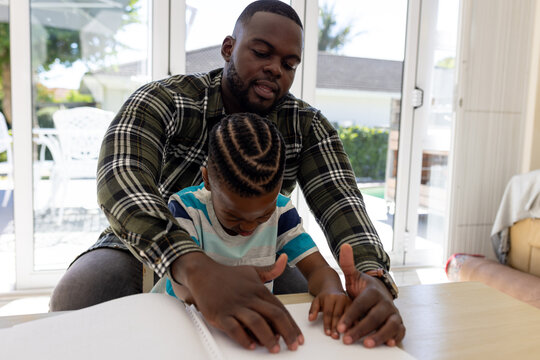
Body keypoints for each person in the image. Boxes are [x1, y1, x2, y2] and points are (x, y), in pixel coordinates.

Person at [50, 0, 405, 353]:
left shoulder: (307, 127)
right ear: (228, 48)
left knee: (302, 316)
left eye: (288, 63)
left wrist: (371, 278)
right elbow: (121, 178)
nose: (275, 69)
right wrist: (193, 265)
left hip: (256, 253)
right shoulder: (165, 100)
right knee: (81, 292)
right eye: (262, 53)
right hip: (150, 246)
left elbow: (342, 202)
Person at [154, 113, 351, 343]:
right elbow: (183, 289)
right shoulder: (186, 209)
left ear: (279, 186)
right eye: (233, 215)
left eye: (263, 215)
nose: (248, 226)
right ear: (207, 179)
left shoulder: (282, 212)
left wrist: (333, 289)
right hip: (180, 323)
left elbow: (317, 270)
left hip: (244, 325)